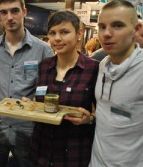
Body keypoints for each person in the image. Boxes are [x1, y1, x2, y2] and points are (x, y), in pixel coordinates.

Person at [89, 0, 143, 166]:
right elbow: (111, 113)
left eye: (117, 25)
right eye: (102, 27)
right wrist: (90, 118)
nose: (106, 33)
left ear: (136, 29)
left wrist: (142, 151)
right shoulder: (103, 64)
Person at [0, 0, 53, 167]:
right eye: (4, 12)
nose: (9, 17)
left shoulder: (43, 50)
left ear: (24, 12)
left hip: (27, 128)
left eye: (14, 10)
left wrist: (38, 101)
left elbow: (51, 90)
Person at [29, 10, 99, 166]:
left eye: (64, 32)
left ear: (79, 33)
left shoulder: (93, 68)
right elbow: (39, 100)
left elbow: (103, 112)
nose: (57, 38)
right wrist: (30, 106)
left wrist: (91, 119)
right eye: (52, 33)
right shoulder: (44, 66)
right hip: (40, 151)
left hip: (73, 153)